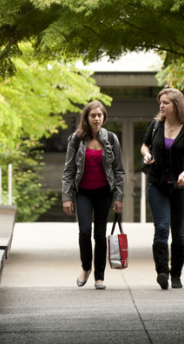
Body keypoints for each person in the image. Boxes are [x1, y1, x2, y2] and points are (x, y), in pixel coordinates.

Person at [61, 100, 125, 290]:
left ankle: (99, 276)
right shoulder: (76, 139)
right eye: (93, 116)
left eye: (100, 115)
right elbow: (68, 170)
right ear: (86, 118)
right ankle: (86, 267)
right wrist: (66, 197)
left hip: (104, 192)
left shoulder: (112, 139)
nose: (97, 119)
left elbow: (119, 170)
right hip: (84, 192)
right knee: (84, 232)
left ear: (104, 117)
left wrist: (119, 197)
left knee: (100, 234)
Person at [140, 88, 184, 290]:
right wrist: (146, 155)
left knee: (179, 232)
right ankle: (162, 272)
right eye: (160, 102)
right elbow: (144, 145)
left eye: (165, 102)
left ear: (176, 105)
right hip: (157, 185)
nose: (161, 106)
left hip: (180, 186)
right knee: (162, 228)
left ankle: (176, 275)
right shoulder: (156, 125)